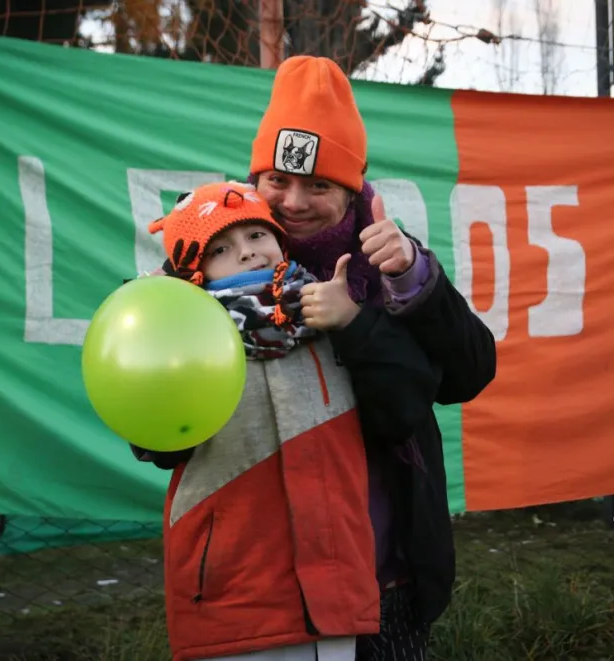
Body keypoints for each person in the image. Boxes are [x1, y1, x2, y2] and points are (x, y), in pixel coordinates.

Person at [244, 55, 499, 660]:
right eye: (278, 180)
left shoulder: (386, 260)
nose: (294, 202)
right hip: (261, 577)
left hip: (384, 572)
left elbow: (466, 374)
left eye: (319, 185)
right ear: (255, 179)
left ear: (352, 190)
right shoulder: (218, 261)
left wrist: (407, 280)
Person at [130, 181, 441, 661]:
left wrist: (354, 322)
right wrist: (156, 332)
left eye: (257, 235)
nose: (247, 252)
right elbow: (156, 444)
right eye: (220, 249)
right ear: (193, 270)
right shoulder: (182, 340)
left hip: (335, 595)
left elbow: (407, 401)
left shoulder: (329, 316)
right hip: (234, 601)